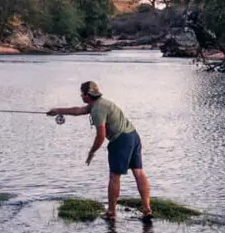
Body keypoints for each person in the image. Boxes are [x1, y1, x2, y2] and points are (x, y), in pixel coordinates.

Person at [48, 80, 152, 221]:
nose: (81, 96)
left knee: (114, 176)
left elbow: (101, 136)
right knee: (138, 172)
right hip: (133, 136)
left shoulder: (97, 110)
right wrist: (58, 111)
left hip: (120, 140)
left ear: (86, 95)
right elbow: (78, 110)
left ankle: (111, 212)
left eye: (82, 93)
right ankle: (147, 209)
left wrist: (92, 152)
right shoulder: (100, 103)